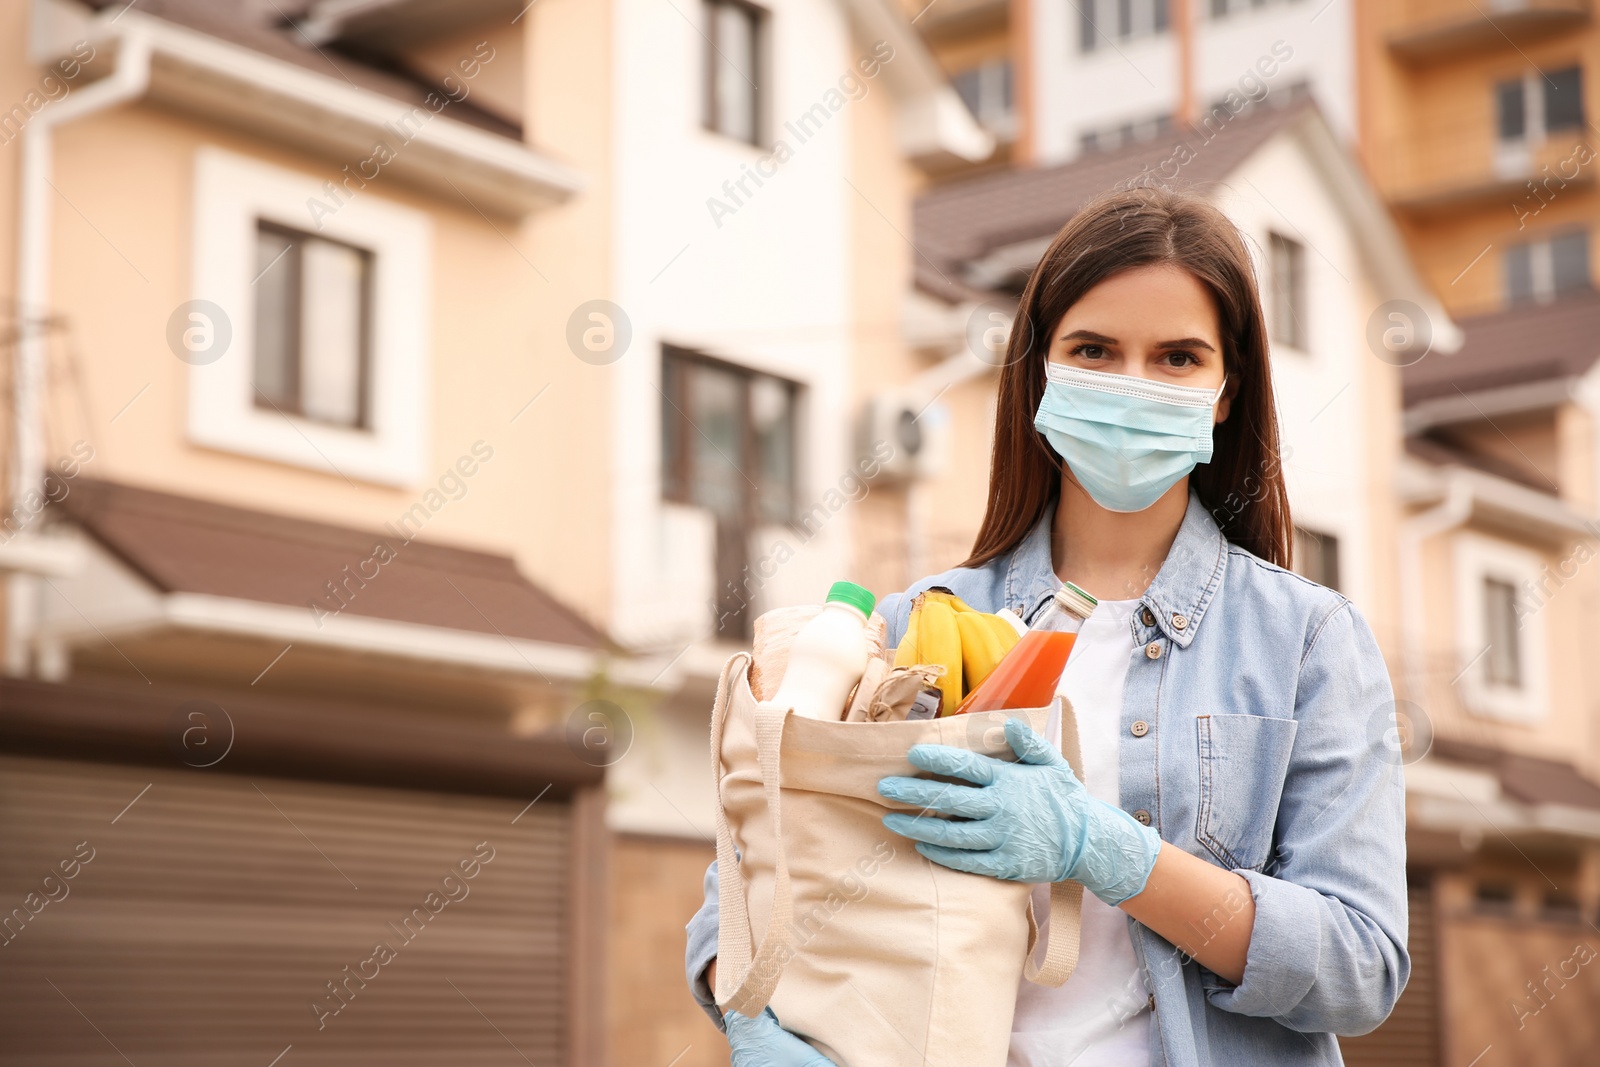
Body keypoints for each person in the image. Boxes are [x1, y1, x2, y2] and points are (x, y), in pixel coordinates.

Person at [684, 186, 1409, 1066]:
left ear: (1226, 393)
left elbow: (1360, 966)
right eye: (1094, 350)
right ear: (1040, 372)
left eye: (1178, 357)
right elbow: (752, 875)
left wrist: (1111, 853)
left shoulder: (1308, 641)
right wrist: (753, 1017)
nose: (1132, 385)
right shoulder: (916, 624)